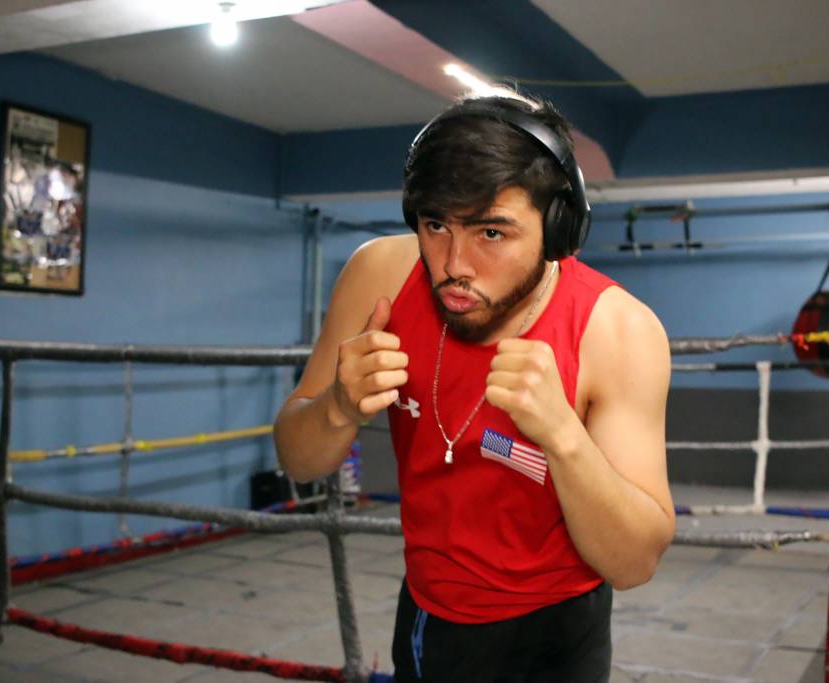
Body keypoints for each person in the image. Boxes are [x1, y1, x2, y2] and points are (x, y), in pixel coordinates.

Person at [273, 92, 674, 682]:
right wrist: (337, 406)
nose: (454, 265)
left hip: (562, 629)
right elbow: (299, 460)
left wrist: (564, 436)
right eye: (436, 225)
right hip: (429, 615)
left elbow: (635, 562)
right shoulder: (380, 276)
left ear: (558, 229)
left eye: (491, 232)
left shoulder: (618, 331)